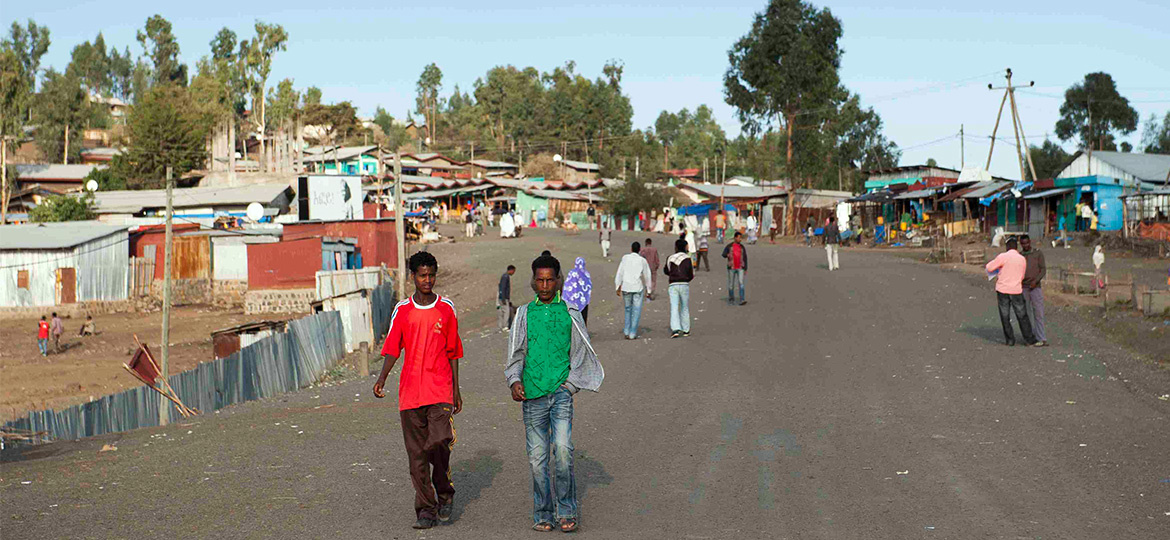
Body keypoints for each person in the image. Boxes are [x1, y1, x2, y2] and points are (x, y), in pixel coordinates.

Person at [505, 254, 603, 533]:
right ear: (533, 282)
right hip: (532, 394)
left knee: (562, 451)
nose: (545, 285)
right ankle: (543, 513)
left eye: (550, 280)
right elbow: (516, 351)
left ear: (558, 281)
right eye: (540, 280)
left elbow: (581, 351)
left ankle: (566, 510)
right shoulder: (524, 314)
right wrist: (514, 381)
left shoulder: (570, 312)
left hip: (560, 393)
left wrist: (569, 385)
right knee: (537, 459)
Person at [372, 251, 464, 530]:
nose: (428, 280)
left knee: (437, 442)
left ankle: (443, 488)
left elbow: (453, 352)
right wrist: (382, 378)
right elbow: (392, 348)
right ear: (413, 276)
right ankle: (426, 509)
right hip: (410, 393)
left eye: (432, 274)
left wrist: (456, 391)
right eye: (423, 275)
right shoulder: (402, 310)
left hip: (440, 390)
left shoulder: (446, 309)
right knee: (416, 456)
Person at [985, 238, 1037, 346]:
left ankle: (1010, 340)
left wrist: (998, 266)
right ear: (1016, 247)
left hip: (1002, 289)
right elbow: (1022, 275)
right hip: (1016, 289)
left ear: (1007, 247)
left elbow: (989, 268)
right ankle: (1029, 339)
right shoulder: (1022, 259)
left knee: (1005, 315)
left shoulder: (1003, 257)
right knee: (1022, 315)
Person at [614, 241, 652, 339]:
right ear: (639, 250)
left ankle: (626, 330)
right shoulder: (642, 260)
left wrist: (618, 285)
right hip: (637, 287)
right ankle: (632, 333)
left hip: (626, 286)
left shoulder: (625, 258)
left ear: (631, 249)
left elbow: (620, 272)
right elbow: (647, 275)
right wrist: (649, 290)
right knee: (636, 310)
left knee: (627, 309)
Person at [1020, 235, 1048, 347]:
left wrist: (1035, 281)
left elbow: (1043, 269)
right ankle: (1029, 338)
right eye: (1023, 244)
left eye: (1027, 243)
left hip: (1035, 287)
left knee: (1038, 313)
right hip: (1023, 288)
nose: (1025, 245)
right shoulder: (1020, 256)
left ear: (1030, 242)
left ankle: (1041, 338)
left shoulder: (1038, 253)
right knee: (1026, 314)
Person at [664, 239, 695, 338]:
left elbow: (666, 270)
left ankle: (676, 329)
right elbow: (691, 274)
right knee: (684, 307)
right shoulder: (687, 258)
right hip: (684, 284)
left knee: (674, 307)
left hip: (673, 284)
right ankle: (686, 329)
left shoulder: (670, 258)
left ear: (676, 247)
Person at [562, 257, 593, 325]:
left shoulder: (572, 273)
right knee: (583, 318)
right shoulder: (586, 274)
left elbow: (567, 286)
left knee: (573, 318)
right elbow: (589, 286)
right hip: (583, 301)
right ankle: (582, 333)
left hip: (572, 301)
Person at [721, 232, 748, 305]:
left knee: (741, 283)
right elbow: (723, 254)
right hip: (731, 267)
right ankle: (731, 299)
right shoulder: (729, 246)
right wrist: (728, 255)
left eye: (740, 238)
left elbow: (745, 257)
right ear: (735, 238)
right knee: (731, 285)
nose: (740, 239)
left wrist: (745, 268)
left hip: (740, 267)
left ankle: (742, 299)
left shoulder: (742, 247)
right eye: (739, 237)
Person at [499, 265, 517, 332]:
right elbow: (503, 287)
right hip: (504, 298)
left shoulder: (505, 276)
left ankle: (503, 326)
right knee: (506, 312)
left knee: (504, 311)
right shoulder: (505, 277)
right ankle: (505, 326)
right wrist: (504, 298)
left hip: (504, 297)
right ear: (511, 270)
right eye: (513, 271)